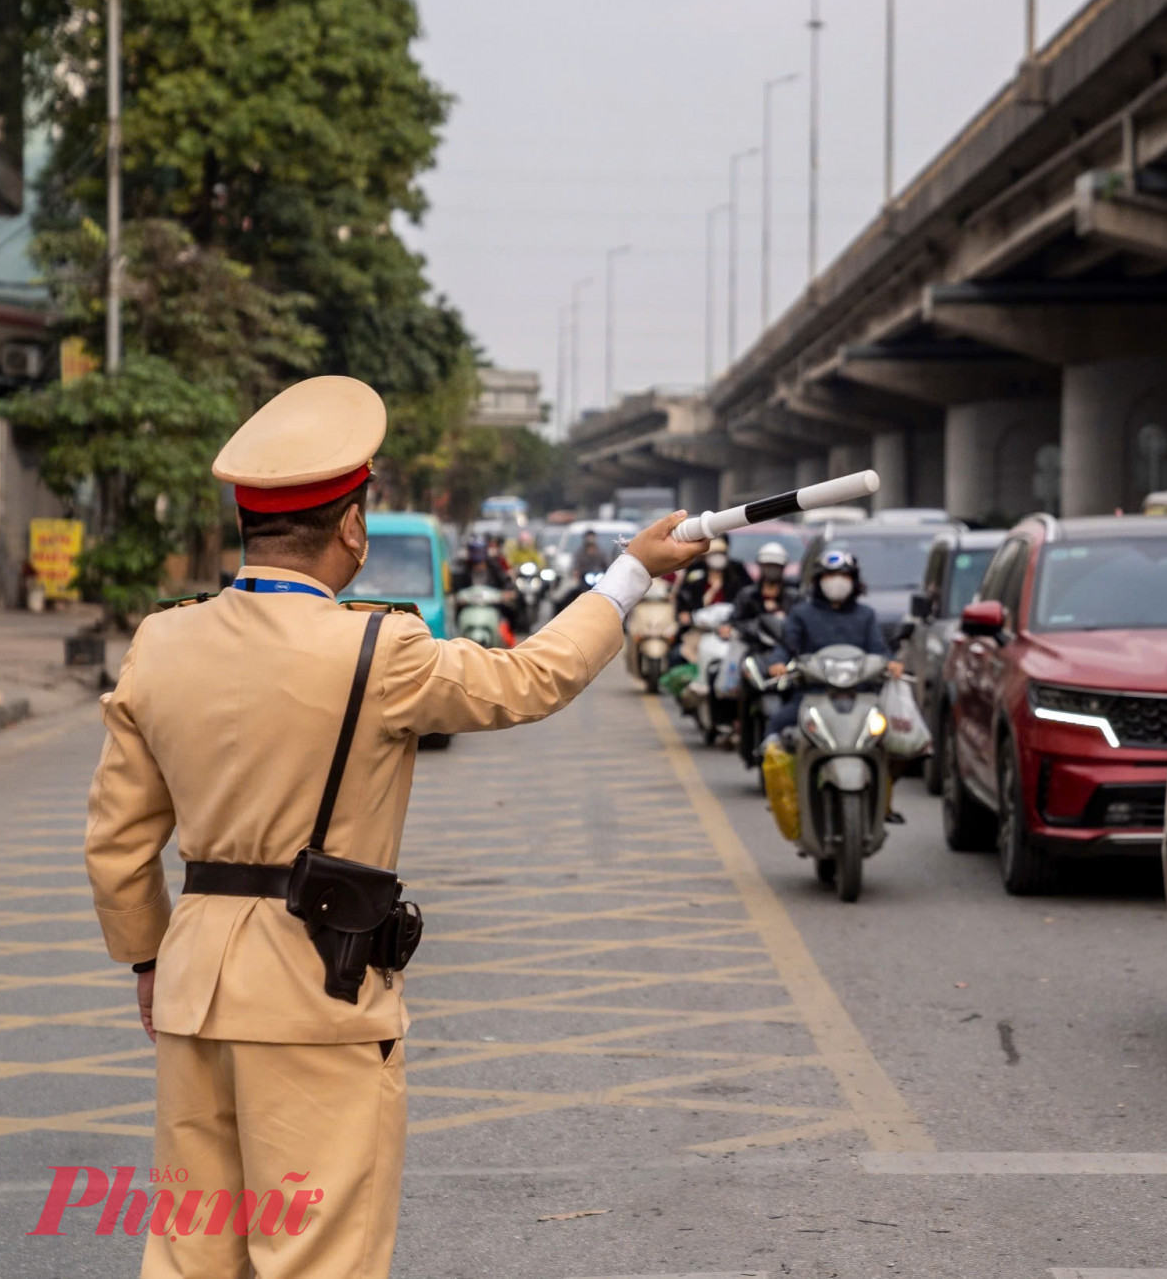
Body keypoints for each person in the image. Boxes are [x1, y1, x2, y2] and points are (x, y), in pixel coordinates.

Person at [82, 375, 707, 1279]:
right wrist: (631, 573)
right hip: (319, 992)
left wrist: (148, 960)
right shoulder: (380, 649)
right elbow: (531, 679)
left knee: (192, 1253)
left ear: (246, 526)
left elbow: (116, 842)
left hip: (192, 995)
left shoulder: (162, 641)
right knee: (316, 1256)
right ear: (351, 527)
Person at [763, 548, 901, 741]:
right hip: (813, 694)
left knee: (891, 736)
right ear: (818, 580)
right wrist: (777, 663)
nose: (837, 580)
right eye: (830, 575)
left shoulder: (865, 615)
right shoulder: (802, 614)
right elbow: (787, 646)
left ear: (854, 580)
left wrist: (892, 663)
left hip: (859, 695)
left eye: (844, 575)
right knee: (776, 727)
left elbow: (878, 650)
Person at [729, 541, 792, 629]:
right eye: (768, 565)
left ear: (783, 567)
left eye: (776, 566)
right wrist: (760, 621)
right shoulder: (747, 596)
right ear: (760, 565)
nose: (772, 570)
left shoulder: (793, 597)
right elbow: (735, 622)